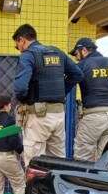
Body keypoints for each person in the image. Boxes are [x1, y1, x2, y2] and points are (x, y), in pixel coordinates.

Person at [12, 24, 84, 166]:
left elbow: (20, 88)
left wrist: (25, 101)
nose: (19, 49)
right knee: (57, 163)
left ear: (22, 40)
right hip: (58, 116)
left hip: (38, 117)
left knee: (35, 165)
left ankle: (36, 189)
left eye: (17, 45)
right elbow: (77, 74)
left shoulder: (28, 55)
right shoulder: (58, 52)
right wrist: (62, 92)